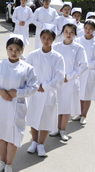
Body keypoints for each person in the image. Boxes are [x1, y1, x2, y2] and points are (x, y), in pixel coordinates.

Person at [0, 34, 38, 172]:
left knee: (13, 137)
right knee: (2, 135)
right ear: (6, 49)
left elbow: (34, 86)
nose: (14, 52)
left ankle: (9, 165)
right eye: (10, 49)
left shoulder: (27, 68)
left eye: (17, 49)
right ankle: (1, 162)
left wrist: (18, 93)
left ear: (23, 50)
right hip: (1, 105)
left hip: (17, 106)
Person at [25, 24, 65, 157]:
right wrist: (37, 85)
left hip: (49, 92)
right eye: (43, 37)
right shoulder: (33, 55)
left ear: (53, 39)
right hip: (35, 92)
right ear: (40, 38)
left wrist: (45, 86)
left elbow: (60, 76)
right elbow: (27, 72)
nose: (46, 40)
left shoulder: (58, 57)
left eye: (49, 38)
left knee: (46, 118)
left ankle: (41, 144)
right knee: (34, 116)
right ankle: (34, 142)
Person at [51, 23, 87, 141]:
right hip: (57, 81)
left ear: (75, 34)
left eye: (72, 32)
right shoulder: (56, 46)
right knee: (57, 105)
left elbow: (84, 65)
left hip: (70, 81)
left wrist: (70, 76)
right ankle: (55, 128)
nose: (69, 34)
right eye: (66, 31)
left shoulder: (78, 48)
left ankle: (63, 129)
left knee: (66, 106)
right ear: (62, 33)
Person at [74, 20, 95, 125]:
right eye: (86, 28)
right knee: (79, 92)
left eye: (90, 28)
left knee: (87, 93)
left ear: (94, 29)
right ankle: (79, 113)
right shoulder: (78, 40)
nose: (88, 30)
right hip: (79, 71)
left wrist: (89, 64)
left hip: (90, 71)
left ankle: (84, 115)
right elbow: (74, 54)